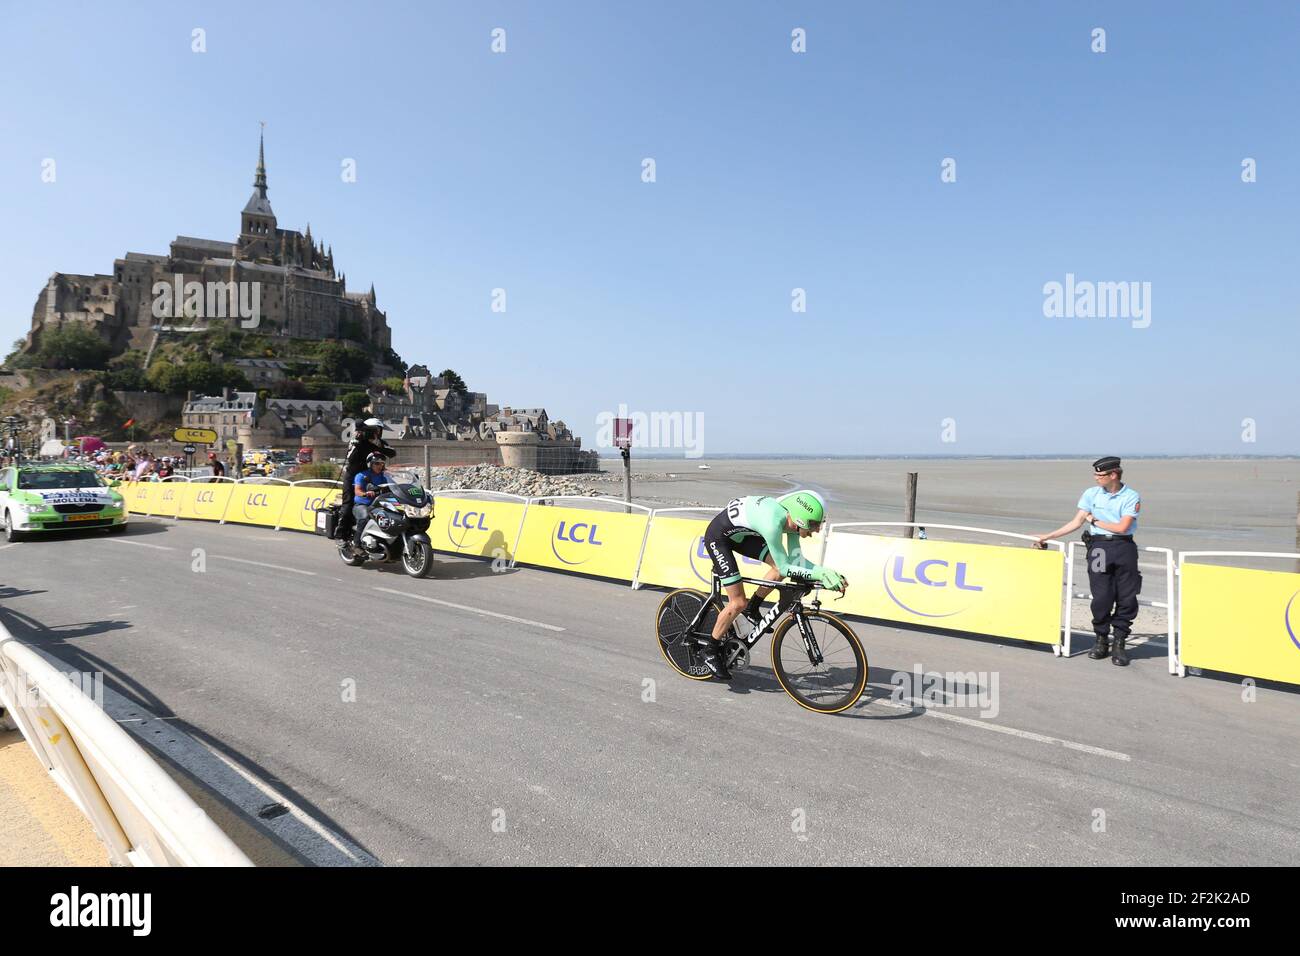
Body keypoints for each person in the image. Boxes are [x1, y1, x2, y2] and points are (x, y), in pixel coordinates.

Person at [696, 490, 848, 678]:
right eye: (814, 525)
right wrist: (819, 573)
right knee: (737, 602)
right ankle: (709, 650)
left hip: (742, 535)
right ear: (800, 518)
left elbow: (796, 561)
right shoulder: (772, 523)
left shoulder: (790, 519)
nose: (816, 530)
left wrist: (825, 572)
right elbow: (786, 568)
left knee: (776, 569)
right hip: (719, 538)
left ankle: (752, 609)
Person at [1034, 456, 1142, 666]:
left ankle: (1119, 642)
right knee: (1101, 596)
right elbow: (1076, 522)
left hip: (1124, 548)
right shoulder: (1090, 494)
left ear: (1113, 475)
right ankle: (1101, 639)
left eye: (1099, 475)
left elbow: (1122, 527)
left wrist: (1093, 520)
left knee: (1127, 597)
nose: (1095, 478)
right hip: (1098, 548)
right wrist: (1048, 536)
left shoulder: (1131, 496)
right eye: (1095, 474)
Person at [336, 418, 395, 541]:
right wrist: (358, 439)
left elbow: (392, 453)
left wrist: (377, 445)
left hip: (373, 476)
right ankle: (341, 536)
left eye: (379, 430)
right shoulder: (357, 441)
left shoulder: (379, 442)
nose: (377, 433)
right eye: (374, 430)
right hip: (354, 476)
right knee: (348, 505)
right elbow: (350, 458)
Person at [349, 452, 395, 551]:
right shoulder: (361, 475)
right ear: (370, 464)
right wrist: (366, 493)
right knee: (365, 517)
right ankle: (356, 545)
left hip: (379, 504)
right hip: (362, 505)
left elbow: (394, 486)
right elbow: (357, 491)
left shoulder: (384, 476)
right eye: (377, 463)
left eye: (382, 463)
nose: (380, 466)